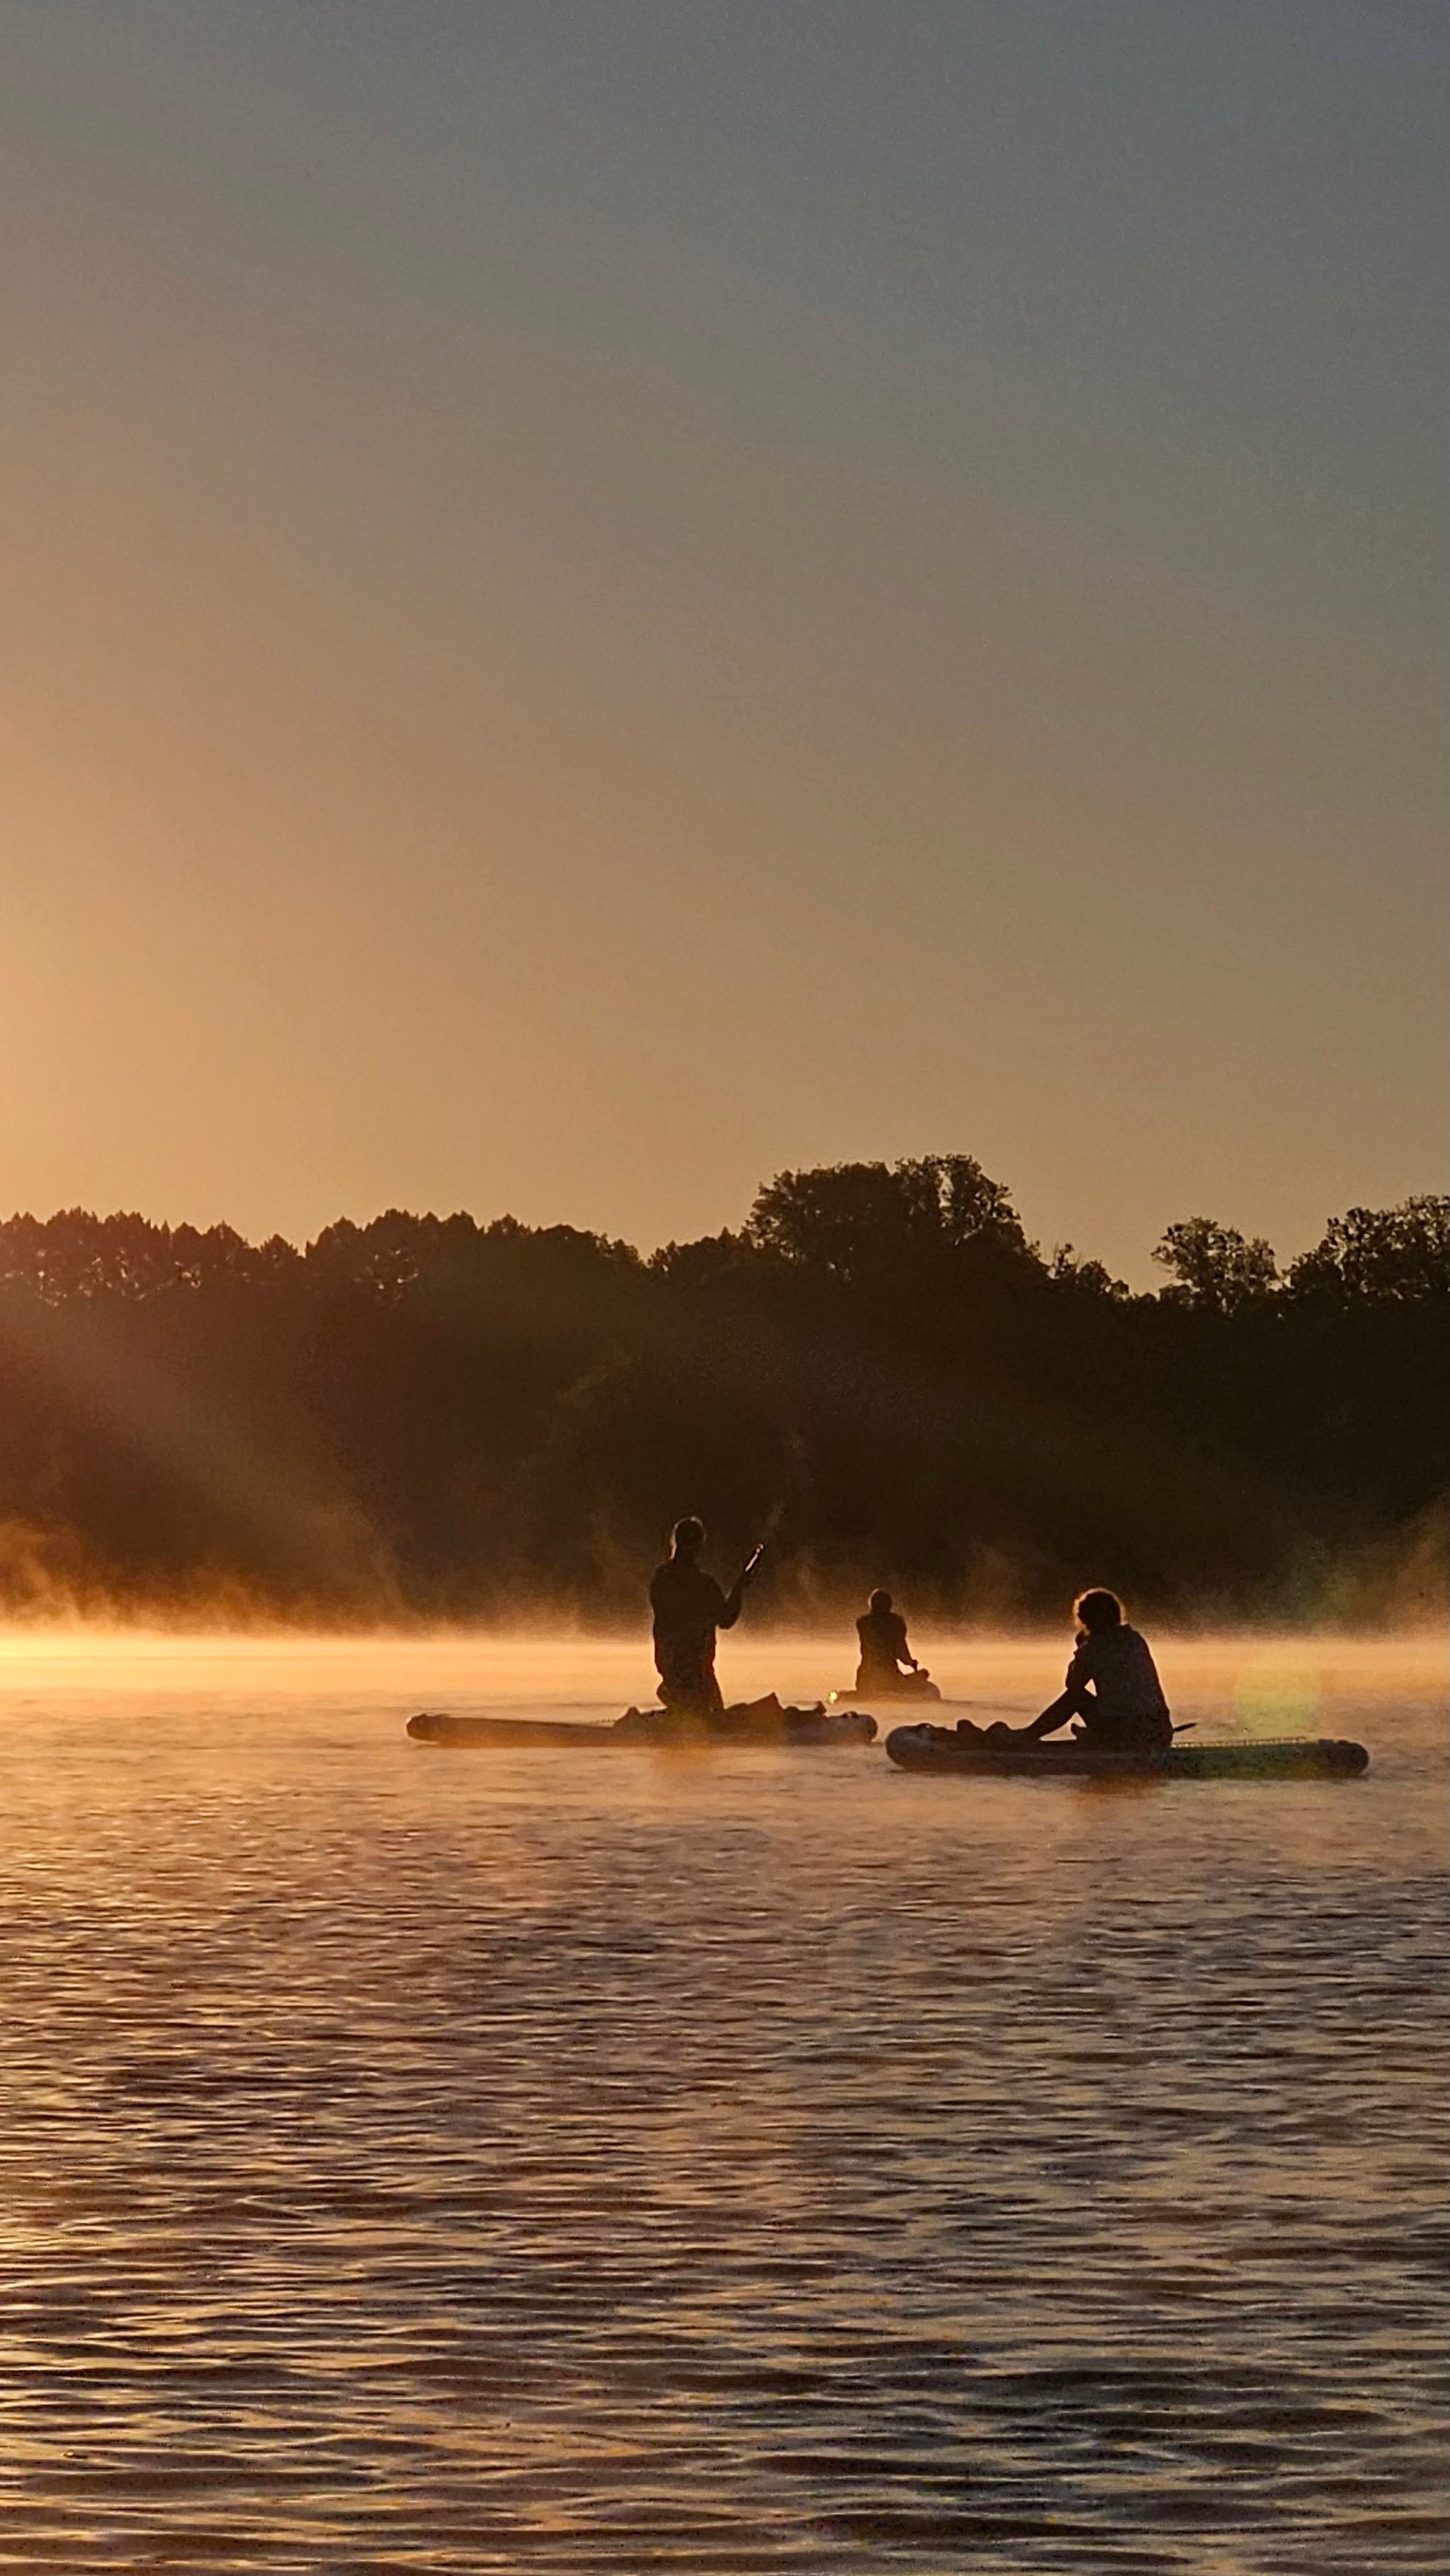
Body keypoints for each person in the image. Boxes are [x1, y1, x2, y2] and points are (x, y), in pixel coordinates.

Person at [956, 1588, 1172, 1754]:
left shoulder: (1096, 1646)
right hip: (1160, 1731)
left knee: (1076, 1697)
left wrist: (1080, 1650)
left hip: (1131, 1734)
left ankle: (1028, 1736)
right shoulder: (1135, 1639)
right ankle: (1095, 1737)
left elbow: (1073, 1686)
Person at [649, 1517, 762, 1714]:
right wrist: (739, 1588)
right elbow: (726, 1620)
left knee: (695, 1716)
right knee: (714, 1719)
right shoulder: (703, 1585)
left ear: (675, 1541)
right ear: (699, 1545)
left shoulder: (661, 1578)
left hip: (669, 1668)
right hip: (697, 1674)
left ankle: (676, 1711)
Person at [854, 1588, 933, 1696]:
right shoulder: (895, 1623)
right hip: (888, 1674)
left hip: (865, 1675)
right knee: (922, 1675)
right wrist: (910, 1662)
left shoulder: (863, 1623)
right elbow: (900, 1649)